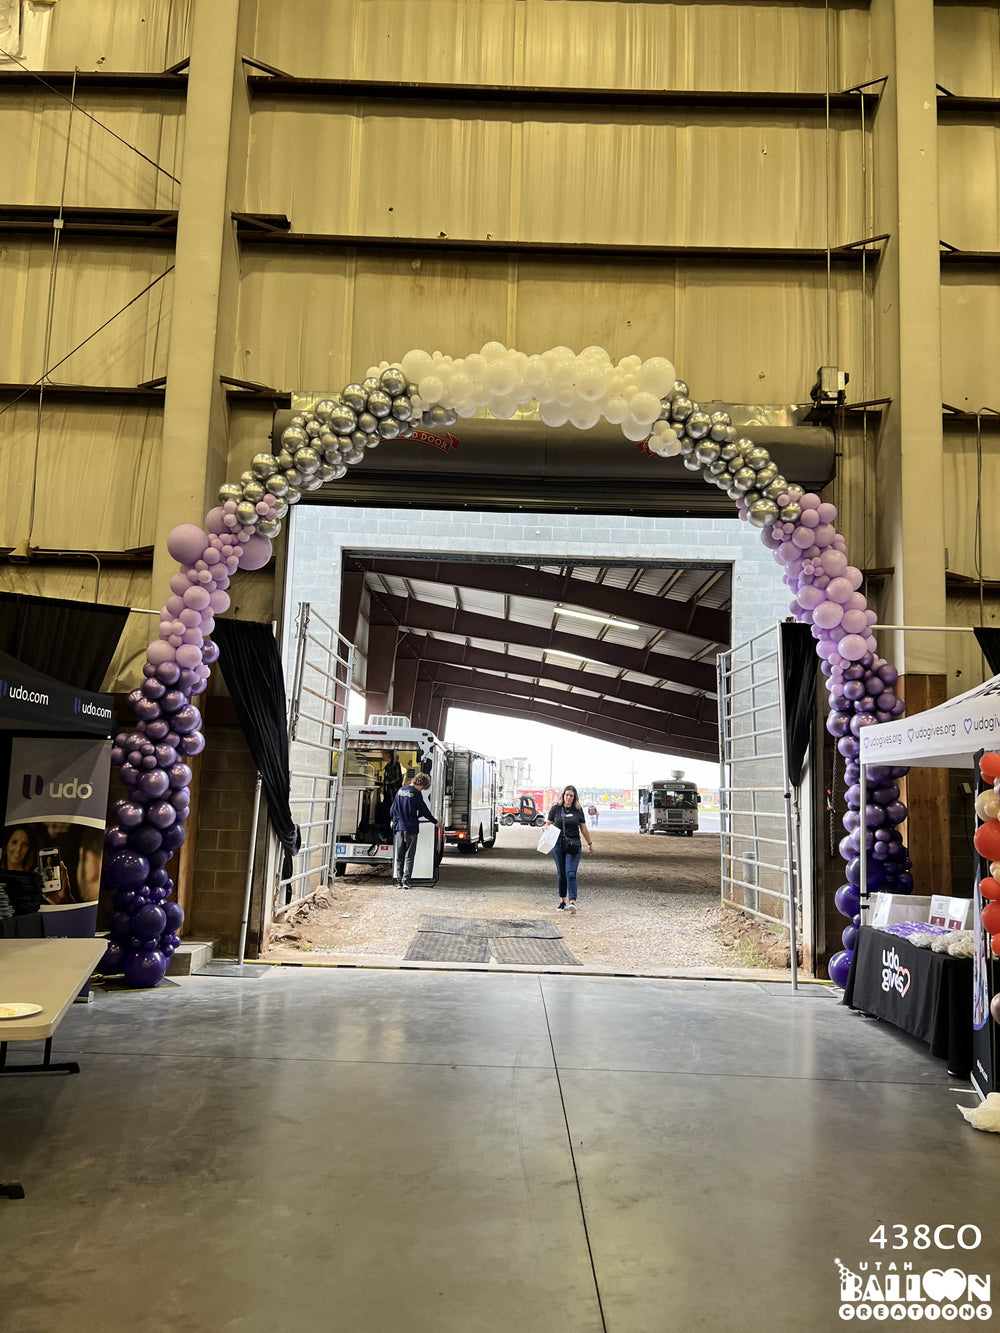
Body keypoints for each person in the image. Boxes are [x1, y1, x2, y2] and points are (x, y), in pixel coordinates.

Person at [544, 786, 593, 913]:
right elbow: (547, 824)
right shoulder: (556, 808)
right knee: (561, 874)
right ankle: (562, 901)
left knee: (570, 873)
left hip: (573, 844)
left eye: (571, 795)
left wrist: (589, 843)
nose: (568, 797)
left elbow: (583, 828)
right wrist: (547, 830)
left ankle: (572, 901)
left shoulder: (578, 810)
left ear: (574, 797)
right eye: (567, 795)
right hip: (558, 844)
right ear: (563, 795)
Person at [389, 771, 439, 889]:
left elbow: (393, 808)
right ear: (422, 785)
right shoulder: (416, 794)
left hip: (399, 827)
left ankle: (399, 881)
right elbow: (424, 810)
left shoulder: (400, 791)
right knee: (409, 856)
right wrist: (435, 822)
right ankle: (406, 881)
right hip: (411, 828)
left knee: (399, 855)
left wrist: (393, 820)